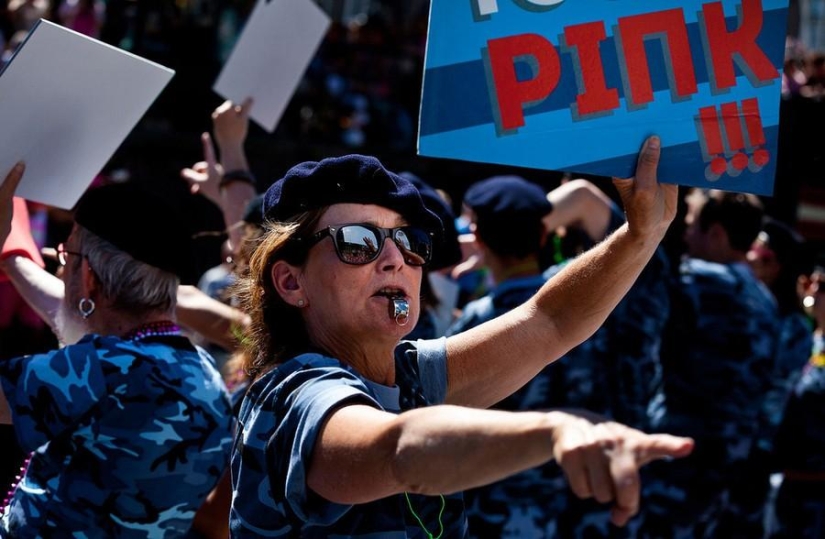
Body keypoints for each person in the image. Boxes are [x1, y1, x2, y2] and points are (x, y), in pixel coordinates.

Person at [229, 137, 695, 537]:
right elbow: (396, 450)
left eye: (410, 242)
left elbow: (549, 322)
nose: (395, 259)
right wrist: (555, 430)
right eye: (357, 242)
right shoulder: (293, 394)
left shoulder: (409, 372)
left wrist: (643, 233)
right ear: (292, 283)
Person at [0, 166, 234, 537]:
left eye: (66, 257)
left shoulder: (101, 370)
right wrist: (12, 256)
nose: (62, 273)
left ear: (89, 277)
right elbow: (71, 312)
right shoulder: (204, 374)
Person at [635, 189, 780, 538]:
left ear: (715, 234)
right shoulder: (765, 298)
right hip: (731, 462)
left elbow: (645, 280)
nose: (685, 234)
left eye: (690, 226)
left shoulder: (699, 280)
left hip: (680, 459)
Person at [716, 217, 813, 537]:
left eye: (762, 254)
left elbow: (773, 394)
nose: (753, 259)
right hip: (718, 440)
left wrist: (753, 449)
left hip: (750, 453)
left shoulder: (793, 325)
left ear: (777, 267)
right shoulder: (740, 302)